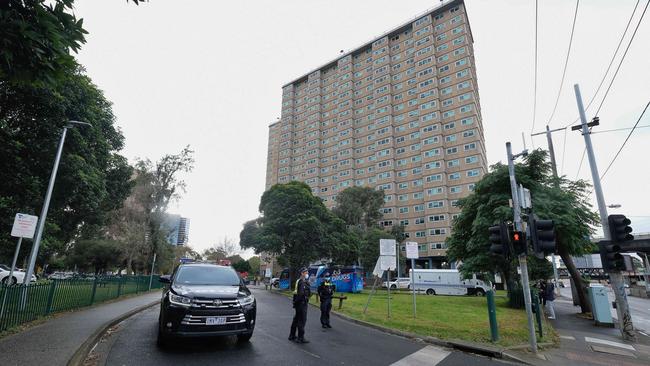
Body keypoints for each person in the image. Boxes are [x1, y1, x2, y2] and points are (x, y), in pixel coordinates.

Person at [289, 268, 311, 343]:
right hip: (302, 303)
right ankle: (300, 338)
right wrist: (305, 298)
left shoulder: (300, 281)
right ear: (302, 273)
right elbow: (301, 294)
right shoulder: (302, 282)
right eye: (306, 272)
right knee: (302, 320)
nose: (307, 274)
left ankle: (292, 335)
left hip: (298, 303)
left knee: (296, 319)